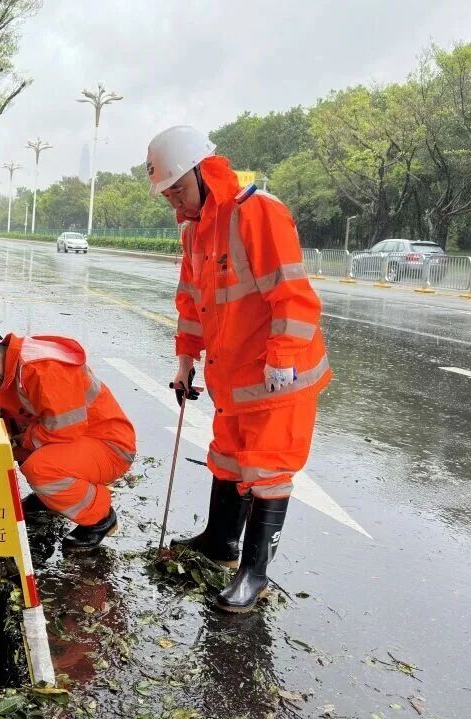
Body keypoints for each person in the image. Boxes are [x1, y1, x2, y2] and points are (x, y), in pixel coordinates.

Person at [146, 125, 331, 612]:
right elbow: (192, 302)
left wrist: (284, 358)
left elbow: (293, 295)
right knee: (227, 456)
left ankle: (255, 573)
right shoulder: (194, 232)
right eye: (168, 197)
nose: (177, 206)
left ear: (205, 172)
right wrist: (186, 358)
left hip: (280, 376)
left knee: (267, 470)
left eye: (180, 191)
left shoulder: (258, 213)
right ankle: (221, 542)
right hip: (234, 378)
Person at [0, 327, 137, 550]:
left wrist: (21, 440)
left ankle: (100, 518)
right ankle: (51, 497)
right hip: (77, 440)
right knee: (10, 447)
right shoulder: (3, 371)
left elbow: (63, 430)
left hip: (109, 445)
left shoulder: (43, 368)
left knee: (41, 468)